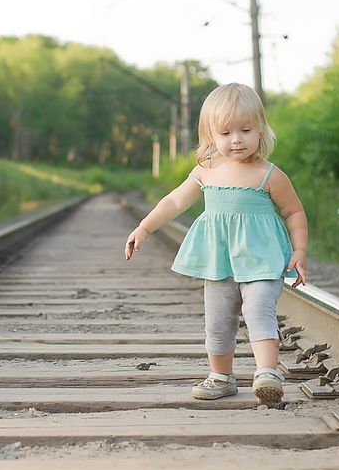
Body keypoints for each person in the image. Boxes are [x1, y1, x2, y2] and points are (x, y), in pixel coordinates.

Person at [124, 82, 307, 404]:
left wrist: (300, 251)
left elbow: (294, 211)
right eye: (225, 133)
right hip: (219, 261)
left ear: (261, 131)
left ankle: (267, 373)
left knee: (258, 309)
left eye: (245, 130)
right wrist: (144, 228)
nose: (236, 139)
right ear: (211, 136)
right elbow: (173, 202)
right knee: (219, 322)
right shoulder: (206, 171)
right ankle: (221, 377)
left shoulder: (269, 174)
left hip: (262, 260)